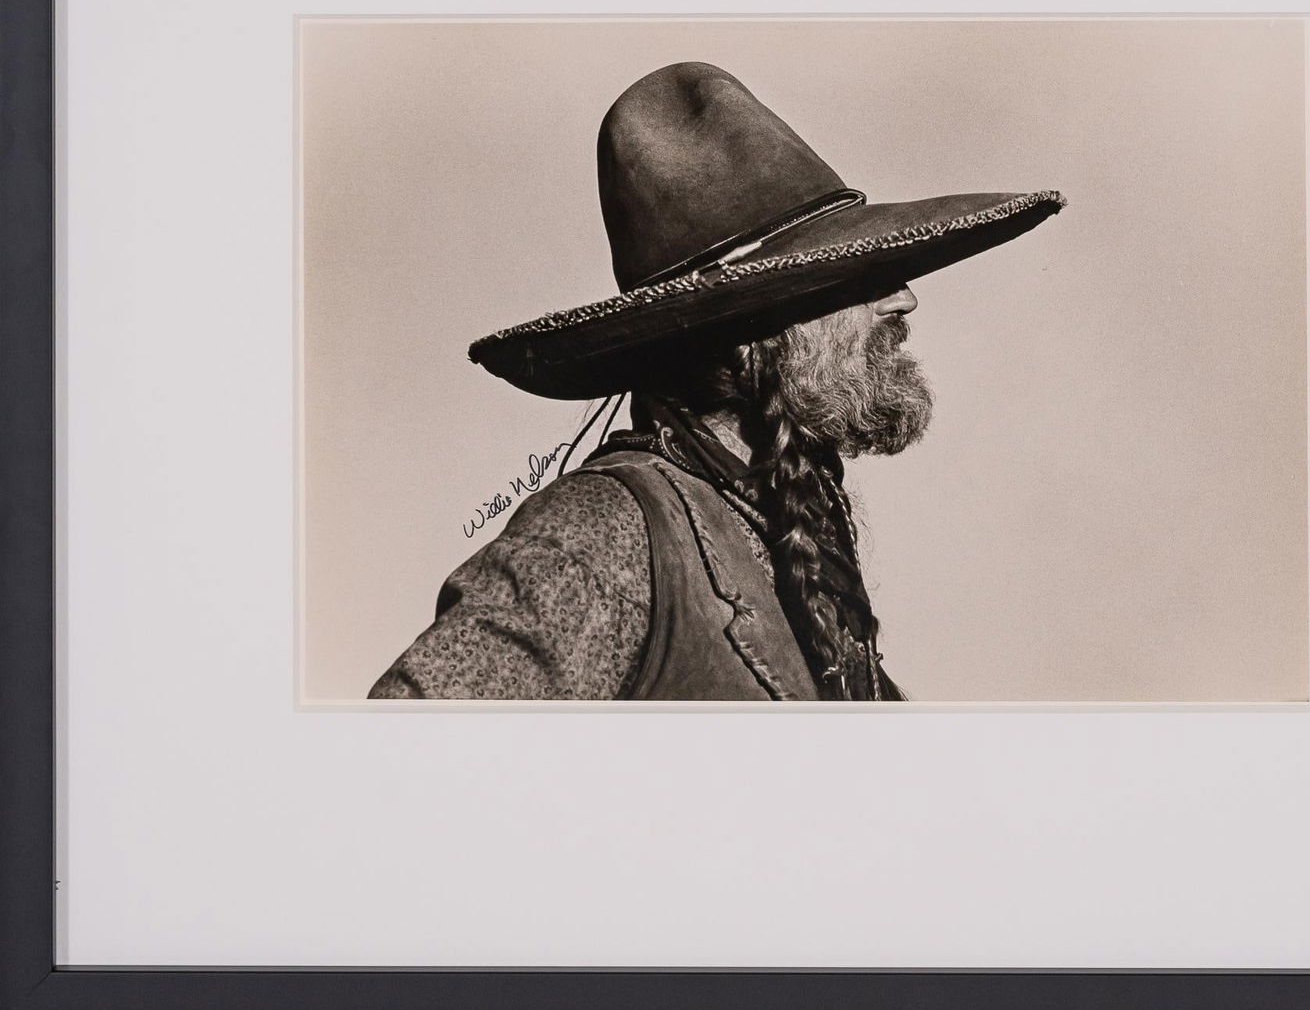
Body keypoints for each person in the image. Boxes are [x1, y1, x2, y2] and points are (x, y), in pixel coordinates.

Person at [368, 61, 1060, 701]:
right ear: (749, 333)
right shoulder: (603, 534)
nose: (902, 300)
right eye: (858, 280)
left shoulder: (784, 525)